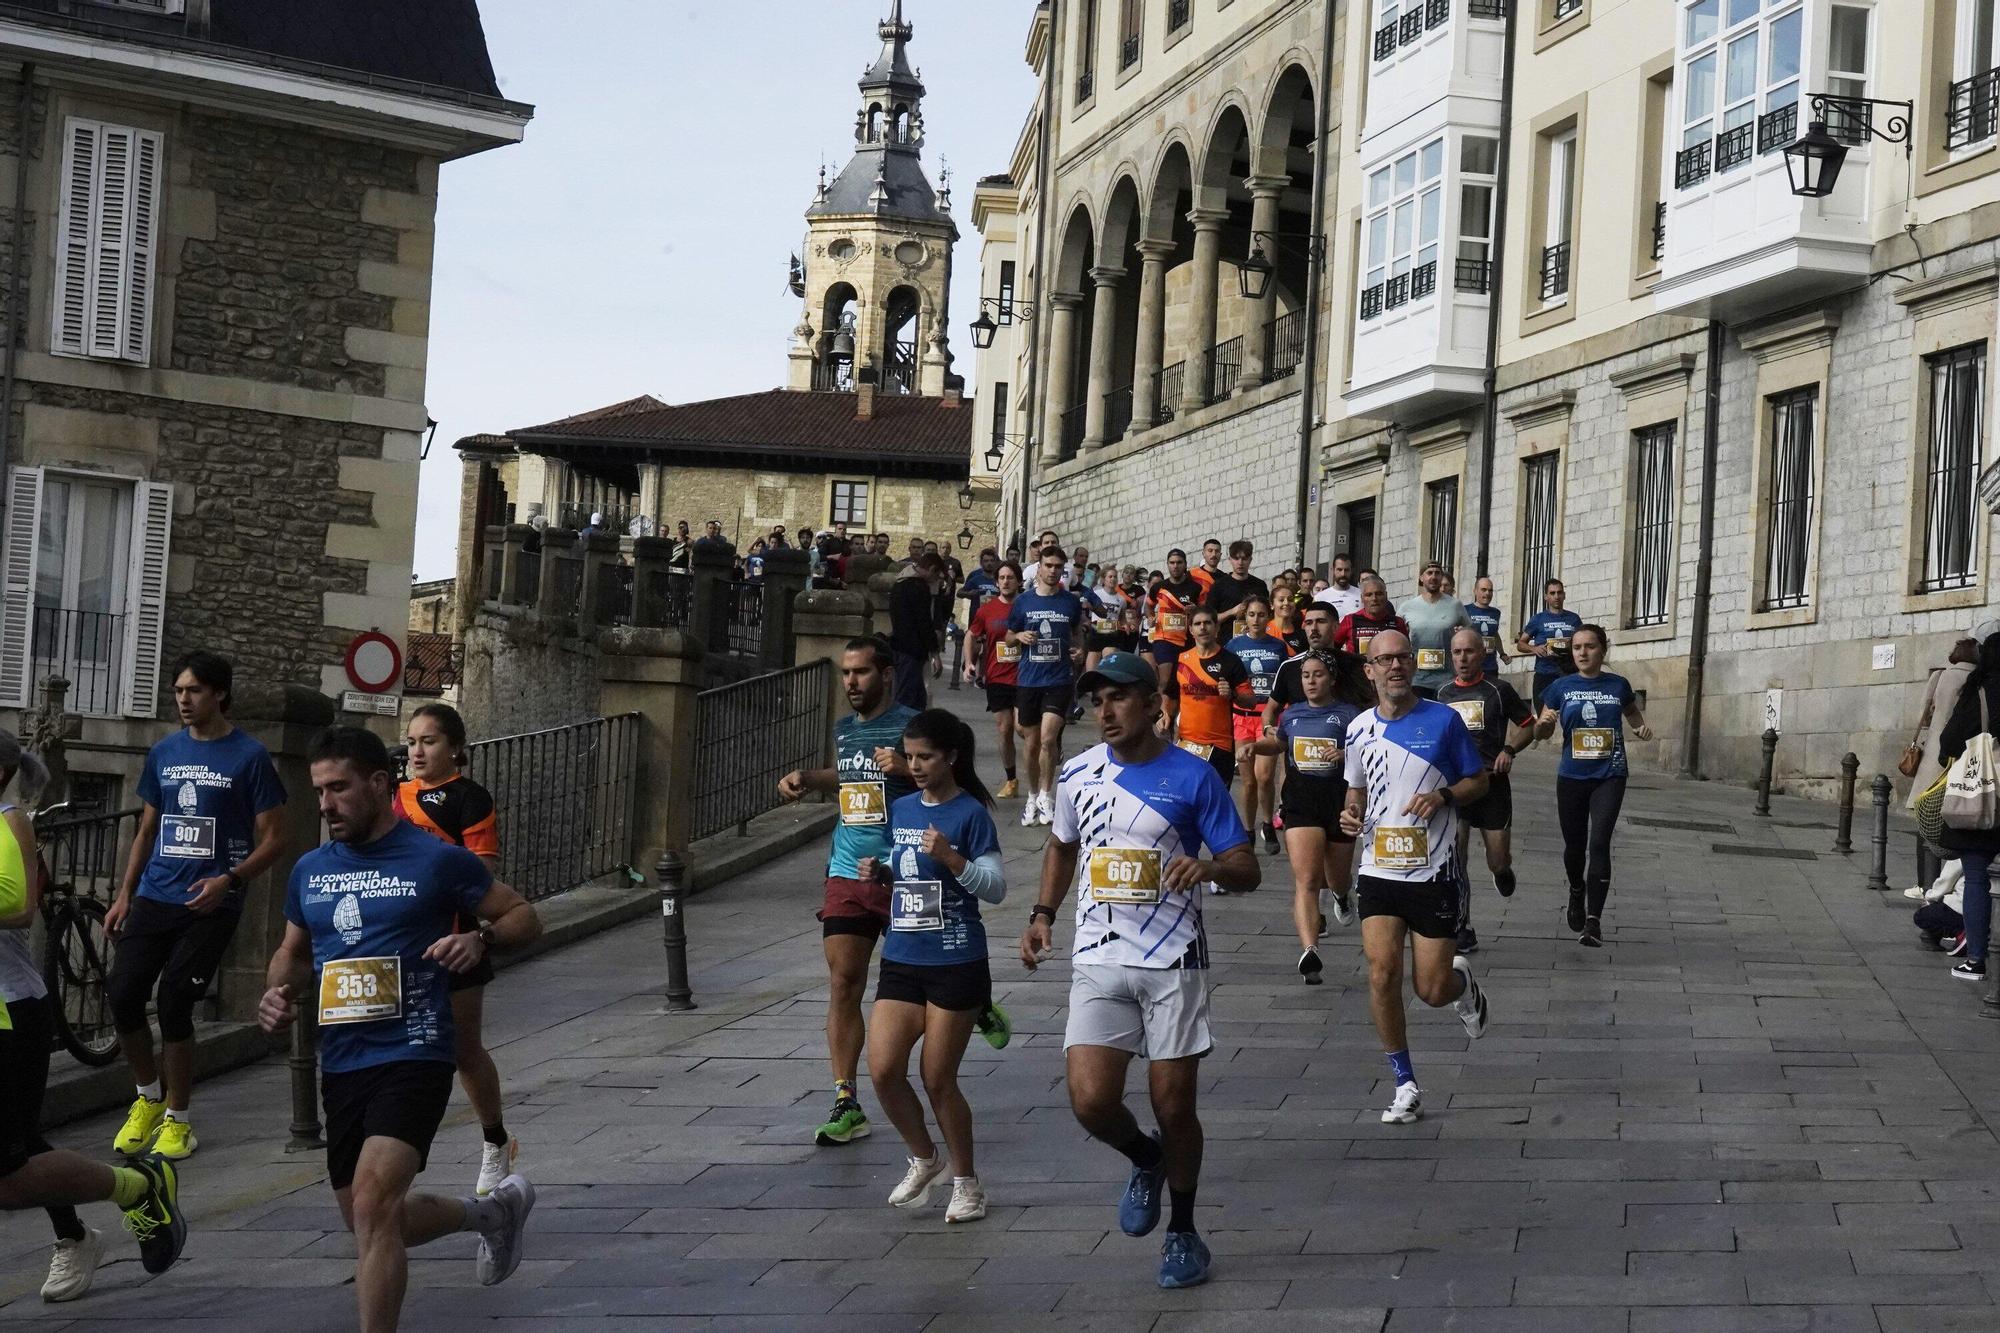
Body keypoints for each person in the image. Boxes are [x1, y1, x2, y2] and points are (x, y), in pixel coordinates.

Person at [260, 726, 541, 1332]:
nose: (326, 805)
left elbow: (523, 916)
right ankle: (489, 1215)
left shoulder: (436, 858)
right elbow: (292, 953)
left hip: (416, 1049)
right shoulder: (310, 870)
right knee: (367, 1216)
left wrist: (480, 937)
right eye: (318, 791)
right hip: (343, 1059)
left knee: (372, 1203)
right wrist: (277, 991)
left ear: (380, 784)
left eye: (339, 789)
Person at [1018, 650, 1260, 1289]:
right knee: (1091, 1102)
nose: (1105, 711)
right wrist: (1043, 912)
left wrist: (1208, 867)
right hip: (1098, 955)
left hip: (1173, 961)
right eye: (1097, 701)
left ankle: (1183, 1231)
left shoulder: (1194, 778)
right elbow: (1063, 846)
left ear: (1154, 705)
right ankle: (1144, 1158)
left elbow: (1246, 865)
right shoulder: (1076, 775)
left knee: (1173, 1105)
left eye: (1119, 697)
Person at [2, 734, 188, 1301]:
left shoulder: (9, 820)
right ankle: (79, 1232)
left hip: (8, 1011)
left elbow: (18, 906)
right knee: (18, 1147)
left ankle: (135, 1186)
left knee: (8, 1176)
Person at [105, 652, 288, 1161]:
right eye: (179, 691)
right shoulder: (164, 752)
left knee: (175, 1003)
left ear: (220, 695)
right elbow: (147, 829)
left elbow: (275, 838)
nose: (184, 700)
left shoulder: (249, 757)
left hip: (212, 901)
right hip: (157, 894)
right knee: (122, 994)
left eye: (195, 691)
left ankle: (179, 1119)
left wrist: (228, 880)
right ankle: (146, 1099)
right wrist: (124, 894)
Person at [1339, 631, 1492, 1126]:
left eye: (1402, 657)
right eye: (1383, 660)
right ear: (1370, 671)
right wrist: (1349, 817)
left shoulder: (1443, 720)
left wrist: (1444, 797)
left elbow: (1479, 780)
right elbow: (1355, 795)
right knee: (1382, 974)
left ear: (1413, 663)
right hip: (1378, 869)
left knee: (1430, 989)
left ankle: (1461, 983)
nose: (1394, 667)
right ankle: (1404, 1082)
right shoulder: (1359, 729)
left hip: (1433, 873)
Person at [860, 710, 1007, 1224]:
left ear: (951, 757)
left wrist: (953, 859)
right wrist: (881, 873)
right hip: (902, 956)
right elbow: (906, 875)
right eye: (910, 755)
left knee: (937, 1077)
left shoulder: (970, 815)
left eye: (925, 757)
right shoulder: (901, 809)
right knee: (881, 1069)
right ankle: (924, 1157)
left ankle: (967, 1183)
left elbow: (995, 889)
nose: (915, 765)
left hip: (955, 957)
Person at [777, 639, 917, 1145]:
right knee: (843, 981)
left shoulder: (912, 725)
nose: (851, 683)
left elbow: (952, 781)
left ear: (885, 673)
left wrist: (907, 768)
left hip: (905, 872)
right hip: (846, 871)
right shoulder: (843, 729)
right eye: (845, 674)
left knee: (925, 983)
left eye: (860, 673)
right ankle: (846, 1099)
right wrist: (808, 777)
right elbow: (851, 776)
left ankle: (974, 994)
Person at [396, 704, 516, 1195]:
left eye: (429, 741)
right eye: (412, 741)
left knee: (464, 1048)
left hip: (453, 937)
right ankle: (401, 1150)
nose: (417, 751)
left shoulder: (471, 798)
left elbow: (480, 870)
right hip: (399, 941)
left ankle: (494, 1141)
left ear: (455, 749)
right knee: (404, 1052)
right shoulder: (392, 797)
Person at [1533, 624, 1654, 947]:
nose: (1583, 653)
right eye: (1577, 648)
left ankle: (1593, 922)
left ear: (1603, 650)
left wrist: (1641, 729)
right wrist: (1543, 726)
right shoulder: (1560, 687)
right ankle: (1577, 889)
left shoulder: (1618, 685)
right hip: (1571, 776)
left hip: (1610, 774)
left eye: (1590, 647)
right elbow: (1541, 733)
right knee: (1575, 847)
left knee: (1599, 842)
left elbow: (1631, 712)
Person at [1251, 650, 1362, 982]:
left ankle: (1343, 895)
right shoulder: (1292, 714)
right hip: (1300, 802)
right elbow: (1280, 746)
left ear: (1331, 679)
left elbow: (1364, 753)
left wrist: (1344, 753)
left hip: (1337, 803)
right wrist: (1256, 747)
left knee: (1336, 878)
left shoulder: (1349, 715)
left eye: (1317, 675)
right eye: (1305, 676)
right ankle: (1310, 950)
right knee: (1308, 880)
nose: (1311, 681)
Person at [1434, 628, 1535, 955]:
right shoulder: (1443, 694)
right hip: (1458, 787)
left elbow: (1528, 725)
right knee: (1457, 859)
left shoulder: (1499, 690)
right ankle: (1463, 926)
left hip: (1492, 785)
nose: (1462, 658)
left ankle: (1502, 871)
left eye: (1469, 652)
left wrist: (1509, 750)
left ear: (1482, 654)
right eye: (1457, 653)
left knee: (1496, 860)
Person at [1006, 546, 1090, 828]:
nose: (1053, 571)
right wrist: (1019, 635)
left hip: (1059, 679)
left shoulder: (1070, 603)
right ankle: (1031, 796)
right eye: (1048, 565)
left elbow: (1078, 634)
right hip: (1030, 679)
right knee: (1030, 744)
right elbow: (1007, 638)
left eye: (1057, 566)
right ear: (1039, 568)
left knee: (1047, 739)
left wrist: (1079, 651)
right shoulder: (1024, 601)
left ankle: (1046, 795)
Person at [1935, 631, 2000, 983]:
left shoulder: (1979, 692)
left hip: (1982, 797)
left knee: (1976, 877)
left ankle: (1976, 960)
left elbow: (1948, 740)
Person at [1906, 637, 1978, 900]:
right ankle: (1948, 886)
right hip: (1964, 761)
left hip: (1934, 758)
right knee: (1957, 822)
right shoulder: (1979, 680)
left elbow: (1922, 716)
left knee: (1926, 820)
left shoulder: (1939, 676)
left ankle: (1924, 884)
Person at [1167, 609, 1252, 800]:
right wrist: (1165, 715)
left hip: (1219, 747)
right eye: (1197, 624)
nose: (1203, 628)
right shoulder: (1181, 660)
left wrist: (1233, 694)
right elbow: (1170, 696)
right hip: (1186, 744)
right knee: (1184, 801)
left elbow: (1251, 701)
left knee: (1213, 803)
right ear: (1190, 630)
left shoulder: (1230, 660)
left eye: (1207, 623)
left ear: (1217, 628)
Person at [1225, 594, 1287, 854]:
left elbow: (1283, 681)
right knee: (1248, 781)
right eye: (1251, 615)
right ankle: (1248, 830)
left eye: (1261, 614)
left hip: (1267, 718)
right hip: (1242, 717)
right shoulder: (1233, 645)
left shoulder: (1278, 646)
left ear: (1268, 616)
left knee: (1264, 777)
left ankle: (1267, 823)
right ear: (1245, 617)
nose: (1256, 620)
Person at [967, 560, 1023, 798]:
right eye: (1001, 578)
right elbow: (971, 634)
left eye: (1010, 577)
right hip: (997, 675)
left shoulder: (1028, 605)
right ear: (996, 582)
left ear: (1019, 581)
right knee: (1004, 729)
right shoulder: (986, 610)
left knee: (1022, 727)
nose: (1006, 582)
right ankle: (1011, 779)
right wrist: (969, 662)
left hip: (1025, 676)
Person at [1404, 562, 1473, 698]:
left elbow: (1470, 633)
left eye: (1437, 573)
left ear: (1441, 577)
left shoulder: (1455, 605)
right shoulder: (1408, 607)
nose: (1433, 577)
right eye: (1429, 573)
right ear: (1421, 578)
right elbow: (1397, 636)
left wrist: (1461, 635)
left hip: (1448, 678)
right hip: (1417, 680)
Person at [888, 553, 946, 711]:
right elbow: (924, 622)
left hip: (900, 647)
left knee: (914, 698)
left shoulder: (900, 584)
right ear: (932, 569)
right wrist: (935, 652)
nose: (936, 580)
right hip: (912, 651)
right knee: (908, 700)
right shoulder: (918, 588)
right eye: (936, 575)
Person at [1517, 578, 1583, 710]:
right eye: (1552, 593)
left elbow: (1582, 641)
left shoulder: (1574, 619)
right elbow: (1520, 644)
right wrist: (1534, 648)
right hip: (1545, 674)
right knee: (1544, 717)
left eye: (1559, 593)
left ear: (1564, 595)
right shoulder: (1538, 619)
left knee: (1571, 714)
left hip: (1569, 673)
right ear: (1546, 597)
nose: (1556, 596)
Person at [1148, 549, 1206, 693]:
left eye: (1179, 563)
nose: (1175, 566)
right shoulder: (1158, 587)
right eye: (1172, 563)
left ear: (1185, 564)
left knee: (1183, 681)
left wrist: (1196, 611)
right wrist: (1150, 616)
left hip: (1187, 641)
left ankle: (1179, 714)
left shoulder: (1196, 588)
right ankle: (1160, 713)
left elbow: (1205, 613)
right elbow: (1148, 606)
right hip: (1164, 640)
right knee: (1165, 681)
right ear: (1167, 565)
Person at [1201, 541, 1271, 636]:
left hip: (1255, 643)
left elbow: (1268, 615)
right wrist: (1231, 612)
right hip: (1227, 643)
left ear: (1250, 560)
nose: (1240, 563)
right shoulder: (1219, 586)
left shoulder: (1259, 585)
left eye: (1244, 559)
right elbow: (1209, 619)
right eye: (1236, 558)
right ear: (1230, 559)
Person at [1331, 575, 1409, 658]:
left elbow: (1405, 653)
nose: (1374, 598)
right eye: (1369, 595)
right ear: (1362, 598)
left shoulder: (1398, 622)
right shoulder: (1350, 620)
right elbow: (1333, 648)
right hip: (1357, 670)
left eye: (1379, 594)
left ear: (1386, 596)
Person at [1464, 576, 1511, 677]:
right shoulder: (1465, 610)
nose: (1487, 593)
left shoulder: (1496, 613)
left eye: (1490, 590)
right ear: (1475, 591)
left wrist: (1502, 654)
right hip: (1472, 666)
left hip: (1490, 666)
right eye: (1483, 590)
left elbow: (1495, 634)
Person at [1314, 552, 1362, 620]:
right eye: (1339, 570)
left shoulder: (1362, 595)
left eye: (1346, 570)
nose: (1343, 574)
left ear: (1352, 571)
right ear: (1333, 570)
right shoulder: (1320, 598)